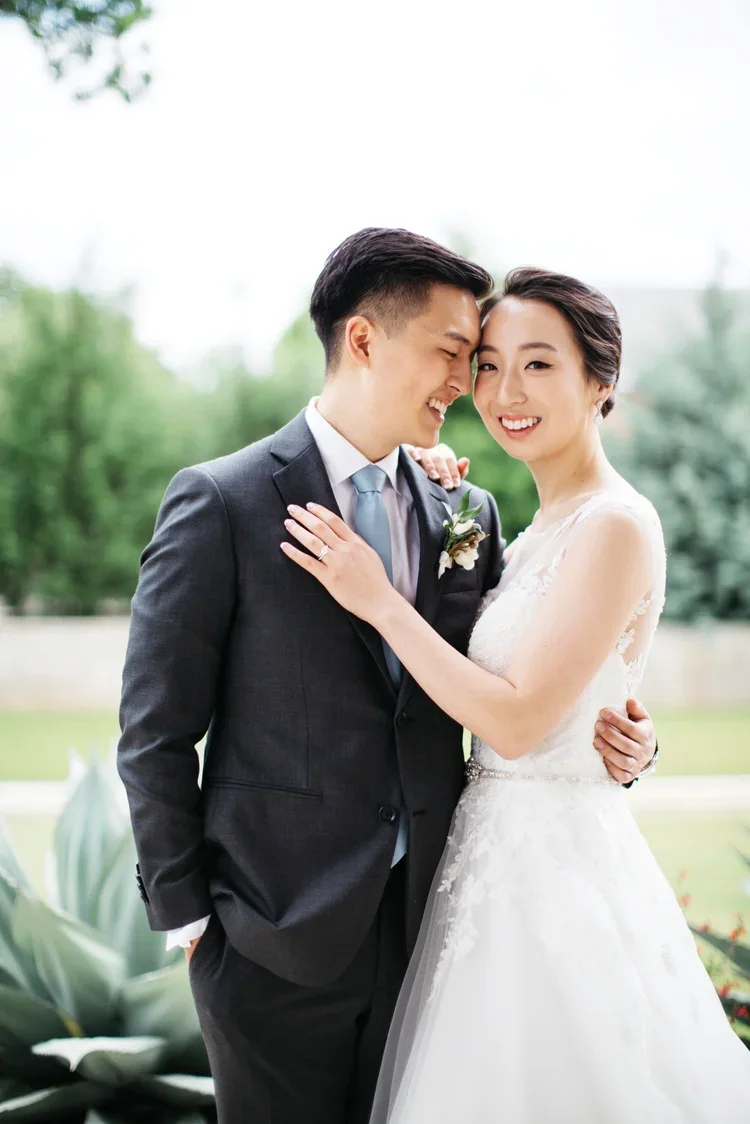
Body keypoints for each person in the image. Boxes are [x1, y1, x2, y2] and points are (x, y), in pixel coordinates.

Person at [117, 231, 657, 1124]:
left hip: (439, 935)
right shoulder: (223, 500)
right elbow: (155, 732)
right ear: (364, 341)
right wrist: (194, 924)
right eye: (458, 354)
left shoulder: (469, 511)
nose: (469, 385)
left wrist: (628, 739)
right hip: (270, 940)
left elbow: (527, 679)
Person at [283, 266, 750, 1123]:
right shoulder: (530, 528)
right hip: (485, 861)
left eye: (539, 365)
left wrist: (376, 594)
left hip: (554, 876)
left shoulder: (612, 524)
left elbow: (520, 720)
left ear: (600, 382)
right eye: (489, 366)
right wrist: (428, 489)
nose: (504, 392)